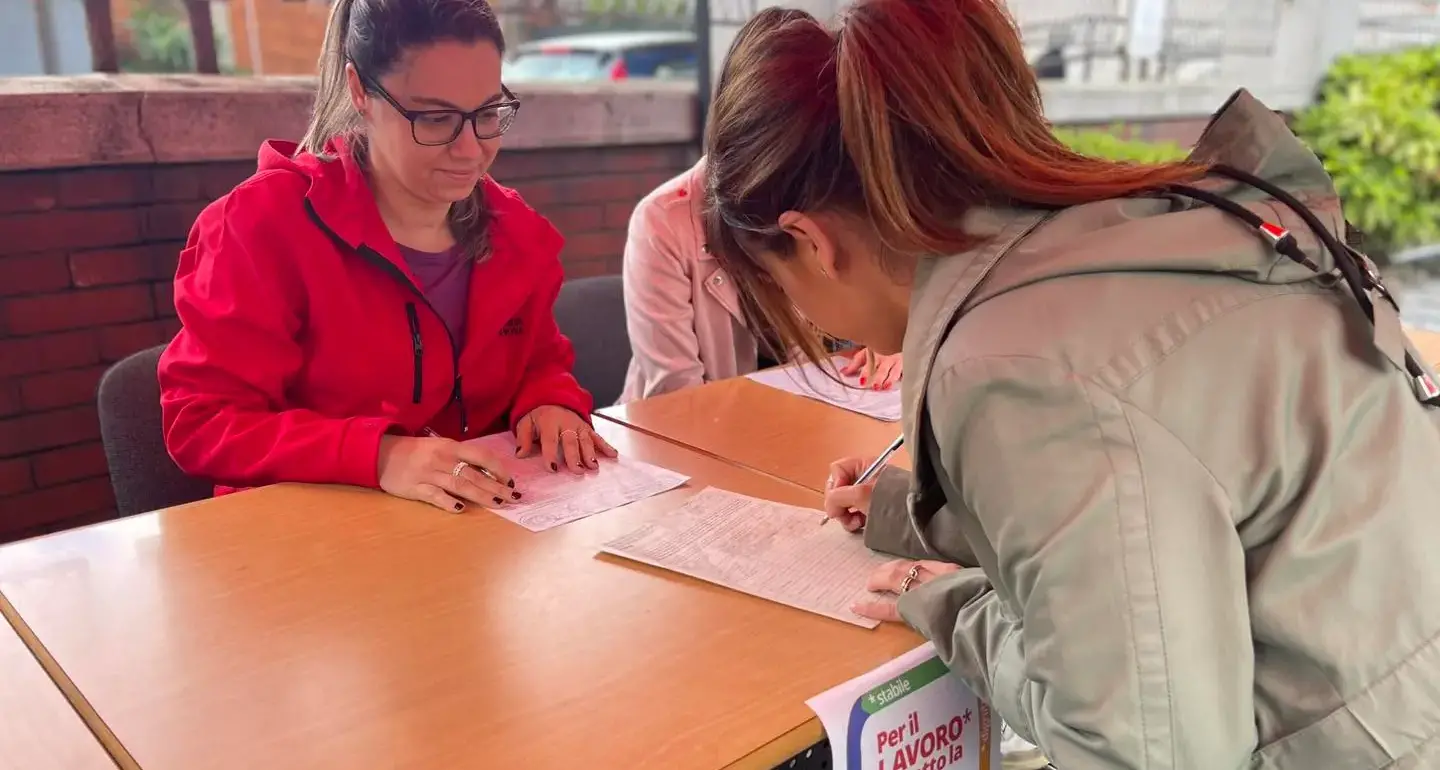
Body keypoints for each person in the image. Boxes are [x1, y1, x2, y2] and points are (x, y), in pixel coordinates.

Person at [702, 1, 1440, 768]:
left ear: (809, 243)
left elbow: (1140, 752)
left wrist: (950, 604)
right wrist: (909, 510)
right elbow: (1162, 494)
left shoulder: (1014, 370)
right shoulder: (1153, 232)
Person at [158, 0, 616, 515]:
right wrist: (379, 457)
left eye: (487, 113)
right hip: (314, 542)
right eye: (435, 118)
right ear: (361, 91)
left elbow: (539, 357)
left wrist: (550, 398)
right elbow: (203, 421)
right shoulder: (261, 226)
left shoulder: (513, 232)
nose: (471, 151)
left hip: (477, 535)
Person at [619, 157, 902, 402]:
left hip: (800, 417)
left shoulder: (815, 192)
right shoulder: (661, 220)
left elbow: (862, 309)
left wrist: (891, 343)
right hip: (685, 434)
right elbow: (677, 395)